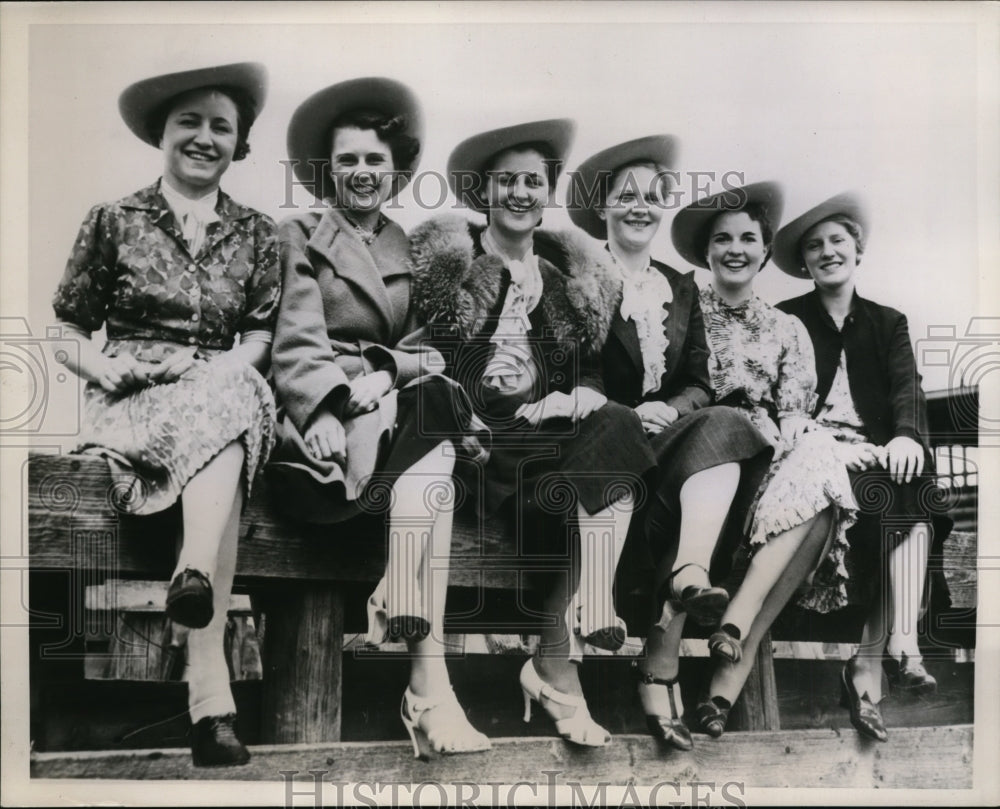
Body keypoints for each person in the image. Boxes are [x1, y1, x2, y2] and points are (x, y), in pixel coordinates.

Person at [51, 62, 279, 766]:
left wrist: (217, 372)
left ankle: (194, 580)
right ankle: (210, 695)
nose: (204, 137)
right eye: (190, 122)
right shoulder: (114, 219)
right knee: (230, 426)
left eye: (221, 126)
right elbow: (64, 332)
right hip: (133, 399)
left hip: (219, 388)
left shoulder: (259, 233)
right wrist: (104, 365)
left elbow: (259, 337)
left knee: (234, 400)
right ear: (163, 132)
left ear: (239, 143)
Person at [408, 119, 656, 747]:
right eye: (506, 181)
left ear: (547, 191)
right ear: (483, 190)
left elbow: (595, 377)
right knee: (610, 490)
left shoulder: (573, 278)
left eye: (533, 182)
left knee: (620, 429)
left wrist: (566, 396)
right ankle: (553, 670)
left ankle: (589, 607)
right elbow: (431, 359)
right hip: (474, 442)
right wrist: (491, 365)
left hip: (544, 446)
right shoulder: (451, 268)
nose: (520, 193)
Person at [266, 77, 490, 759]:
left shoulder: (412, 248)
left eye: (374, 160)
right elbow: (296, 339)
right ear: (327, 171)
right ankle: (427, 685)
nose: (362, 173)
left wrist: (387, 374)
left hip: (393, 417)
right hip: (324, 440)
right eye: (349, 161)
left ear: (394, 170)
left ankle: (405, 606)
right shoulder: (297, 233)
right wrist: (328, 406)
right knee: (439, 433)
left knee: (438, 406)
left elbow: (428, 347)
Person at [565, 137, 774, 750]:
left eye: (653, 197)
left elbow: (700, 383)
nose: (640, 207)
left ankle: (690, 570)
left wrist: (668, 409)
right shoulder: (577, 271)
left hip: (662, 442)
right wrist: (630, 411)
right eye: (626, 196)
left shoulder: (678, 287)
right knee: (622, 425)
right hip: (598, 441)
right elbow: (574, 370)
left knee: (734, 423)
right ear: (603, 206)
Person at [670, 182, 858, 738]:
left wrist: (794, 427)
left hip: (765, 461)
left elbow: (795, 410)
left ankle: (733, 635)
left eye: (748, 238)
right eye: (722, 238)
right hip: (699, 455)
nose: (735, 248)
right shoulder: (682, 312)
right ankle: (735, 649)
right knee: (818, 493)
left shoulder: (786, 328)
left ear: (764, 249)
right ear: (706, 251)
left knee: (820, 475)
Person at [773, 193, 953, 742]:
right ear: (804, 262)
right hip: (818, 457)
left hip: (877, 455)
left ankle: (899, 642)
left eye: (837, 242)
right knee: (888, 494)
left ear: (857, 251)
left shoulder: (887, 322)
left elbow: (907, 389)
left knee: (910, 480)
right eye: (814, 246)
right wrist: (814, 434)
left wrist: (905, 435)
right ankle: (874, 663)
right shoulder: (788, 318)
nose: (828, 252)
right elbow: (782, 398)